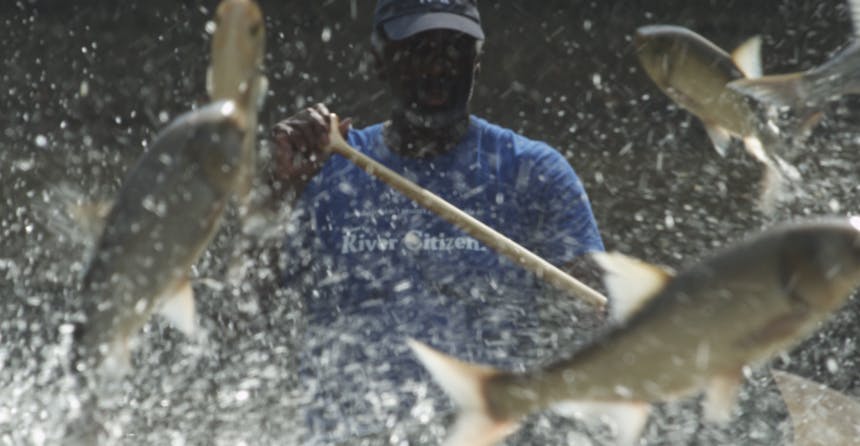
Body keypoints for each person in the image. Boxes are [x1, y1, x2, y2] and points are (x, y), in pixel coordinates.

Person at [267, 0, 604, 443]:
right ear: (379, 60)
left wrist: (687, 316)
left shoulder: (532, 172)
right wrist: (282, 191)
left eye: (454, 49)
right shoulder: (327, 171)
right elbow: (252, 313)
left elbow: (604, 306)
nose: (438, 67)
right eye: (419, 48)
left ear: (477, 62)